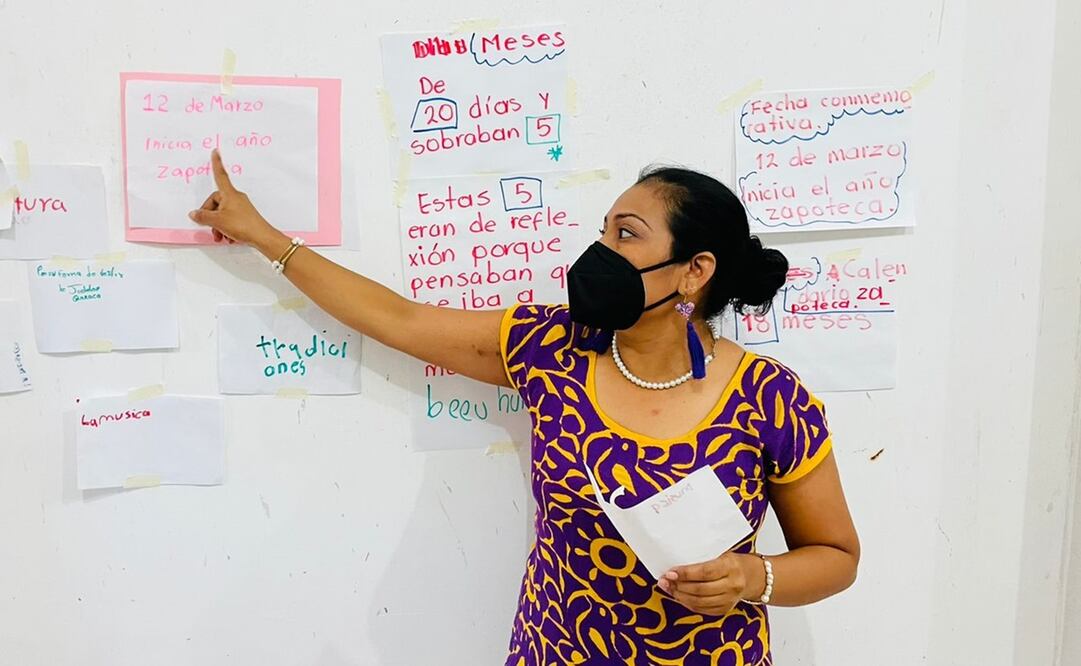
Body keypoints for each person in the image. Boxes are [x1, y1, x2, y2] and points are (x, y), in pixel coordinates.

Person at [190, 150, 860, 665]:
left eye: (626, 236)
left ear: (694, 270)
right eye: (604, 232)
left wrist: (753, 576)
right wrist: (263, 236)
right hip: (555, 649)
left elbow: (834, 555)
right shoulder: (552, 349)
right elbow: (398, 318)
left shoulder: (771, 399)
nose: (600, 252)